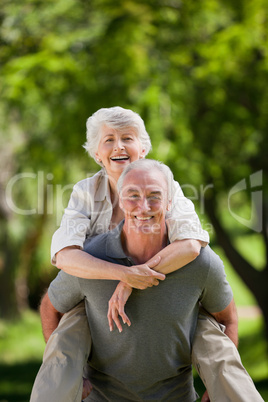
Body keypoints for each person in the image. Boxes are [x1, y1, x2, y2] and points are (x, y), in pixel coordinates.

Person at [37, 159, 263, 401]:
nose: (143, 207)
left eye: (154, 196)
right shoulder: (91, 260)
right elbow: (50, 309)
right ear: (120, 201)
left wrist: (216, 385)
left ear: (169, 202)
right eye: (132, 195)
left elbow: (227, 319)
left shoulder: (200, 263)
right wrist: (72, 377)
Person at [30, 107, 210, 401]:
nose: (119, 146)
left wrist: (129, 283)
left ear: (142, 149)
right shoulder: (86, 192)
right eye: (109, 140)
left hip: (163, 287)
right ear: (96, 154)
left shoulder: (167, 186)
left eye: (128, 138)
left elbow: (191, 243)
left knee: (209, 330)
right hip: (93, 289)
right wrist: (122, 274)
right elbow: (64, 255)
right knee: (68, 326)